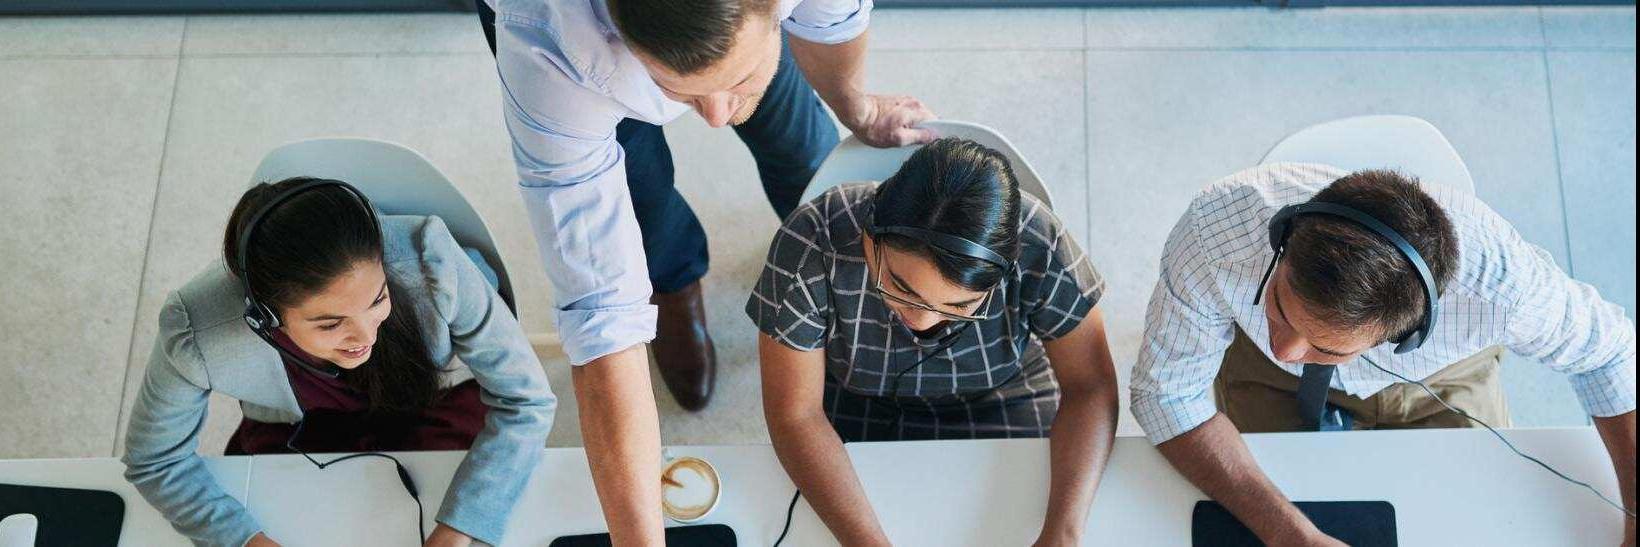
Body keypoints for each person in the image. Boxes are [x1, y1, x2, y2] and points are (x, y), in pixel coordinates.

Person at [476, 1, 937, 541]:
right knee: (641, 191)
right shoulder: (547, 47)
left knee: (802, 145)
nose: (715, 115)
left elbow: (832, 25)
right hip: (585, 51)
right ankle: (674, 283)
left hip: (725, 35)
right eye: (682, 90)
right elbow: (602, 317)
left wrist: (852, 103)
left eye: (736, 79)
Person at [1130, 163, 1636, 545]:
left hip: (1440, 382)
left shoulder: (1504, 288)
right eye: (1282, 305)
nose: (1287, 349)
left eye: (1325, 346)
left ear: (1406, 334)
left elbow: (1611, 355)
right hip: (1254, 365)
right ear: (1282, 241)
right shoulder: (1217, 229)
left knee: (1471, 520)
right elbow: (1167, 396)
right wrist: (1291, 535)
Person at [122, 178, 556, 547]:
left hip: (438, 399)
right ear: (265, 317)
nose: (366, 337)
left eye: (378, 299)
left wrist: (462, 527)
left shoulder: (433, 261)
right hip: (299, 424)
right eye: (330, 324)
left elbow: (527, 401)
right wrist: (244, 540)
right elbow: (155, 460)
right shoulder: (195, 330)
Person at [749, 138, 1119, 545]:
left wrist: (1063, 534)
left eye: (960, 306)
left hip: (1004, 395)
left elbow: (1091, 386)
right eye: (902, 288)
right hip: (856, 401)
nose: (923, 321)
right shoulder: (812, 242)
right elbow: (796, 414)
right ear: (871, 241)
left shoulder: (1040, 241)